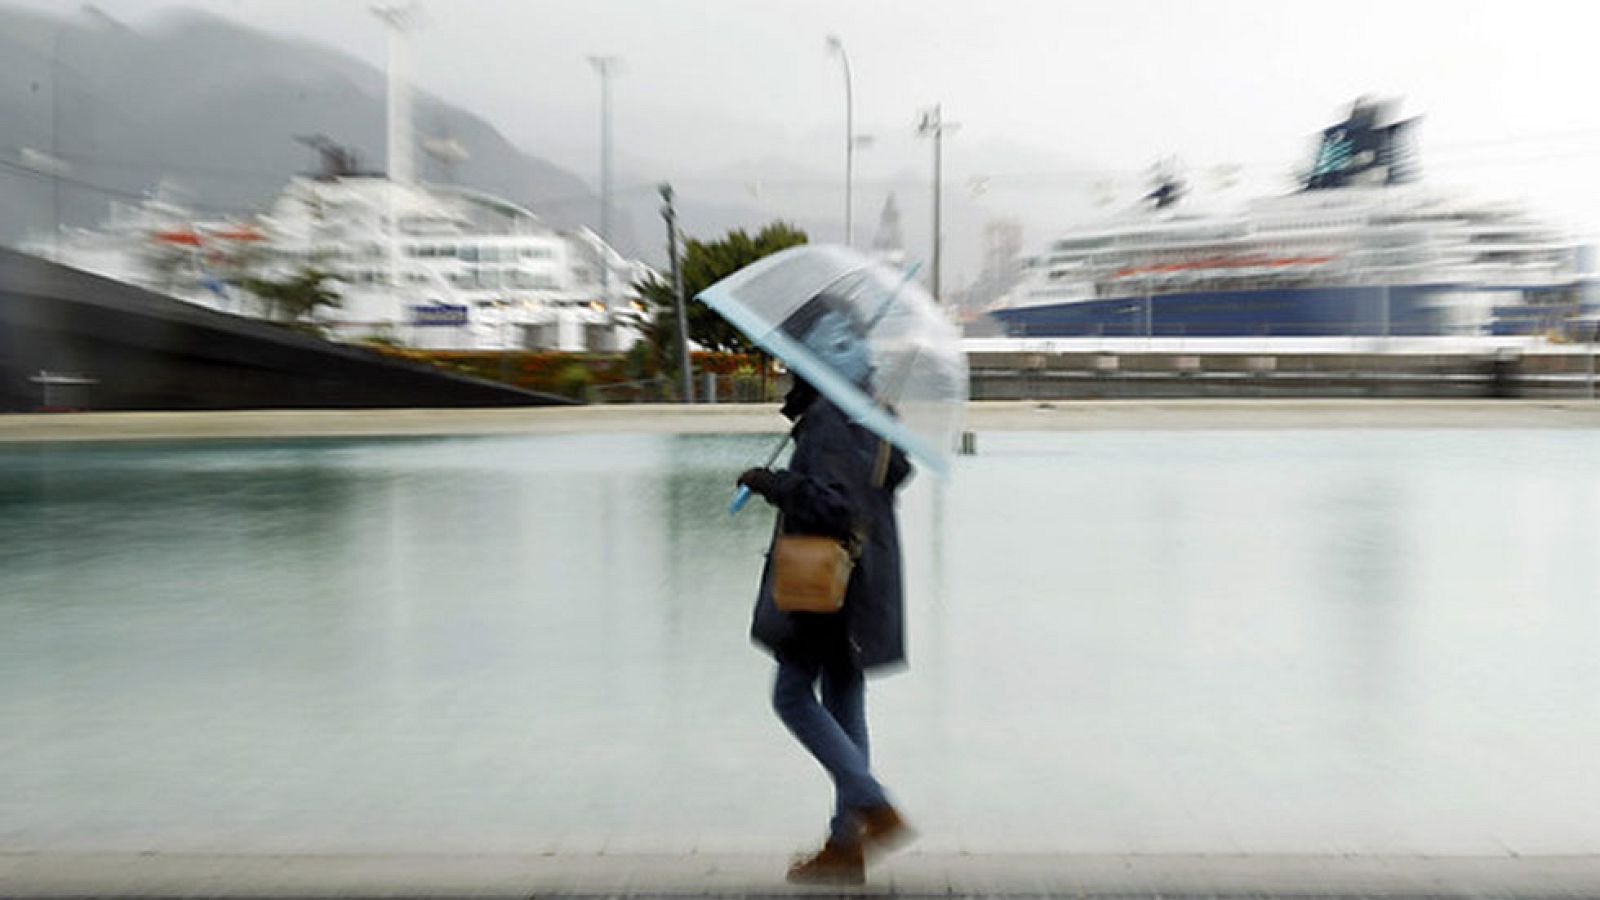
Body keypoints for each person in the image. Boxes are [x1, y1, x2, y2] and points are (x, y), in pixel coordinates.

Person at [736, 376, 915, 885]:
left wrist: (775, 484)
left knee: (791, 697)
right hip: (862, 579)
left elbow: (836, 506)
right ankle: (845, 847)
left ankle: (873, 805)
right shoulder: (870, 409)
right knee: (843, 698)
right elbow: (884, 479)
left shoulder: (831, 416)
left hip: (828, 585)